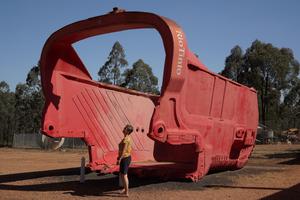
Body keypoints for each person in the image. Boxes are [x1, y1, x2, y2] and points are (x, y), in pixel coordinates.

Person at [117, 124, 133, 197]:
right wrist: (119, 157)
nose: (123, 129)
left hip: (125, 158)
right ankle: (125, 189)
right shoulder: (126, 138)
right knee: (122, 174)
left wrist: (119, 159)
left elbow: (123, 151)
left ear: (128, 131)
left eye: (125, 128)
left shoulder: (126, 139)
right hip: (125, 157)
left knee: (124, 175)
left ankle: (126, 193)